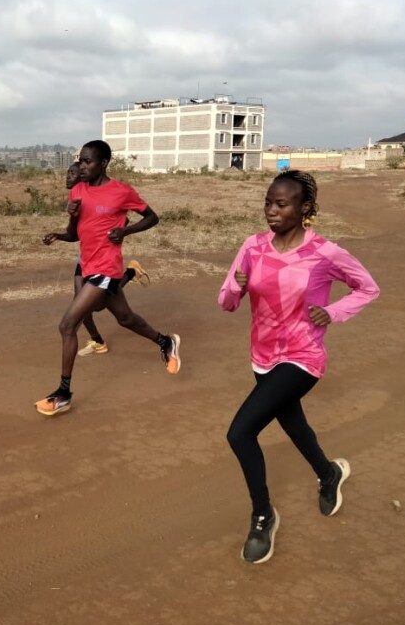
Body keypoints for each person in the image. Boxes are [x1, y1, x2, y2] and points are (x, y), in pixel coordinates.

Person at [218, 170, 379, 564]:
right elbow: (226, 302)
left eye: (281, 204)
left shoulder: (325, 252)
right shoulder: (253, 247)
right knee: (294, 425)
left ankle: (263, 515)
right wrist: (238, 285)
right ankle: (328, 473)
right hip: (262, 357)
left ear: (305, 208)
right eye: (268, 203)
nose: (271, 211)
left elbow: (367, 287)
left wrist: (333, 311)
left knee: (240, 433)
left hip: (303, 356)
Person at [35, 140, 181, 416]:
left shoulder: (121, 191)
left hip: (106, 267)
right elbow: (75, 234)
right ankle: (166, 342)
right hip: (88, 265)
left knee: (68, 324)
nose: (82, 166)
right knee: (125, 318)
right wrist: (66, 224)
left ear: (103, 163)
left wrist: (125, 232)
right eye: (80, 161)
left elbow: (152, 218)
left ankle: (63, 393)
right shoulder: (78, 189)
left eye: (87, 161)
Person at [44, 162, 151, 357]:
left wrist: (120, 231)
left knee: (89, 305)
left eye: (73, 173)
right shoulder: (77, 197)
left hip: (103, 261)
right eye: (68, 172)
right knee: (91, 304)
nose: (68, 177)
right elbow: (75, 234)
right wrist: (59, 235)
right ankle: (98, 340)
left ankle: (98, 340)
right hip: (86, 259)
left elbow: (122, 220)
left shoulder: (101, 194)